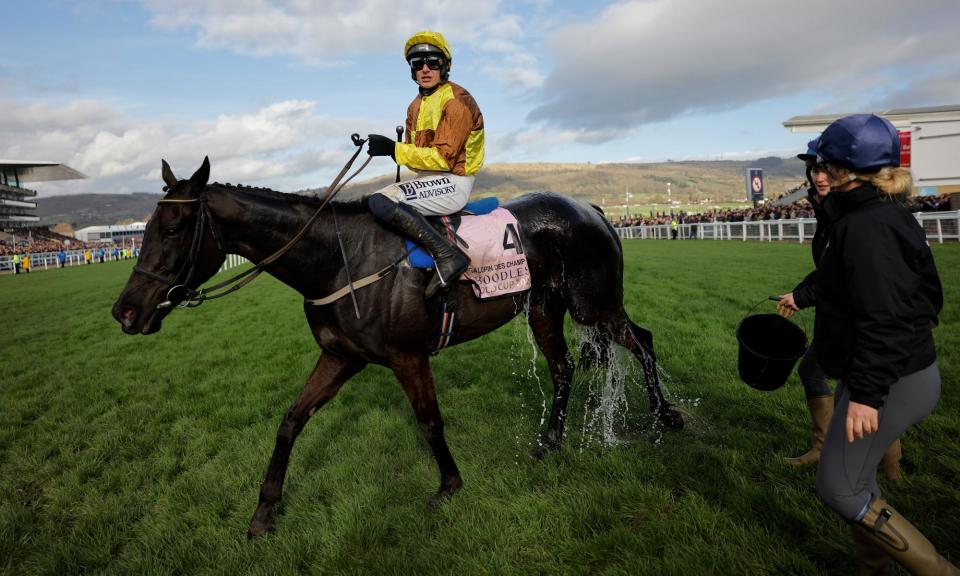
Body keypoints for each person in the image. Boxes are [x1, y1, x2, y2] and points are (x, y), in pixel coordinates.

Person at [784, 114, 954, 574]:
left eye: (823, 158)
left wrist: (866, 394)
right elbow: (926, 297)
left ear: (842, 167)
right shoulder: (874, 213)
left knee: (838, 488)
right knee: (857, 480)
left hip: (890, 379)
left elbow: (889, 320)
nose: (818, 166)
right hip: (883, 372)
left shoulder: (868, 226)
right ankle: (872, 567)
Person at [777, 140, 902, 479]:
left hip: (863, 314)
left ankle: (881, 463)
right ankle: (882, 463)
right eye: (815, 169)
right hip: (844, 310)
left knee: (859, 384)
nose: (820, 176)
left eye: (825, 169)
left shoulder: (852, 211)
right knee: (821, 373)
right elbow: (831, 266)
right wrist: (801, 291)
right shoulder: (830, 207)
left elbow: (849, 270)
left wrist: (803, 296)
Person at [364, 30, 484, 287]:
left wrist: (394, 149)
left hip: (454, 181)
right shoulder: (414, 106)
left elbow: (443, 160)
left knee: (381, 201)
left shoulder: (456, 101)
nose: (425, 69)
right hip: (429, 181)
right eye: (418, 64)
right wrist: (394, 149)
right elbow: (415, 159)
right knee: (372, 203)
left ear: (446, 66)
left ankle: (448, 255)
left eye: (433, 62)